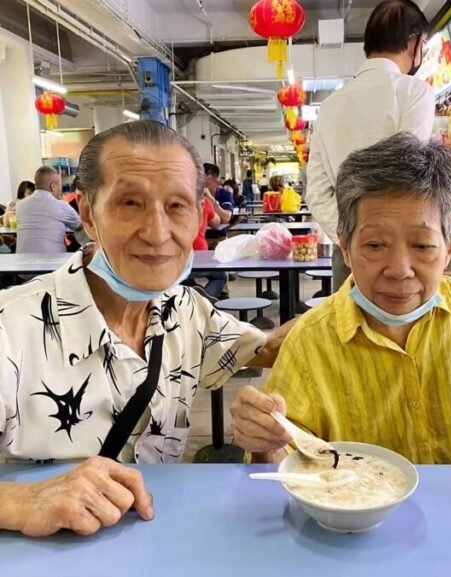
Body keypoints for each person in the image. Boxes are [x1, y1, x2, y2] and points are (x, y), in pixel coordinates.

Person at [0, 120, 295, 537]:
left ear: (198, 216)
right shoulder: (11, 330)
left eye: (176, 206)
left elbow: (268, 347)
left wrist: (364, 294)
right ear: (88, 214)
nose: (157, 234)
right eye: (130, 203)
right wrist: (22, 501)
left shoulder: (186, 310)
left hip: (157, 542)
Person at [230, 134, 451, 465]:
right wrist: (264, 439)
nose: (399, 270)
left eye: (422, 246)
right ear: (346, 248)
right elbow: (286, 454)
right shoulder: (310, 341)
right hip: (354, 500)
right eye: (374, 245)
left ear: (450, 249)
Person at [305, 0, 435, 294]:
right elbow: (411, 175)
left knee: (346, 321)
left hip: (347, 252)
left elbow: (316, 191)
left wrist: (353, 239)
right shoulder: (414, 92)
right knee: (400, 322)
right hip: (401, 255)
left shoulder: (329, 107)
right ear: (414, 43)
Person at [15, 166, 82, 253]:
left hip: (22, 260)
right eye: (60, 185)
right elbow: (79, 226)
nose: (61, 189)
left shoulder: (20, 205)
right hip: (54, 260)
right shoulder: (60, 205)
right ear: (53, 186)